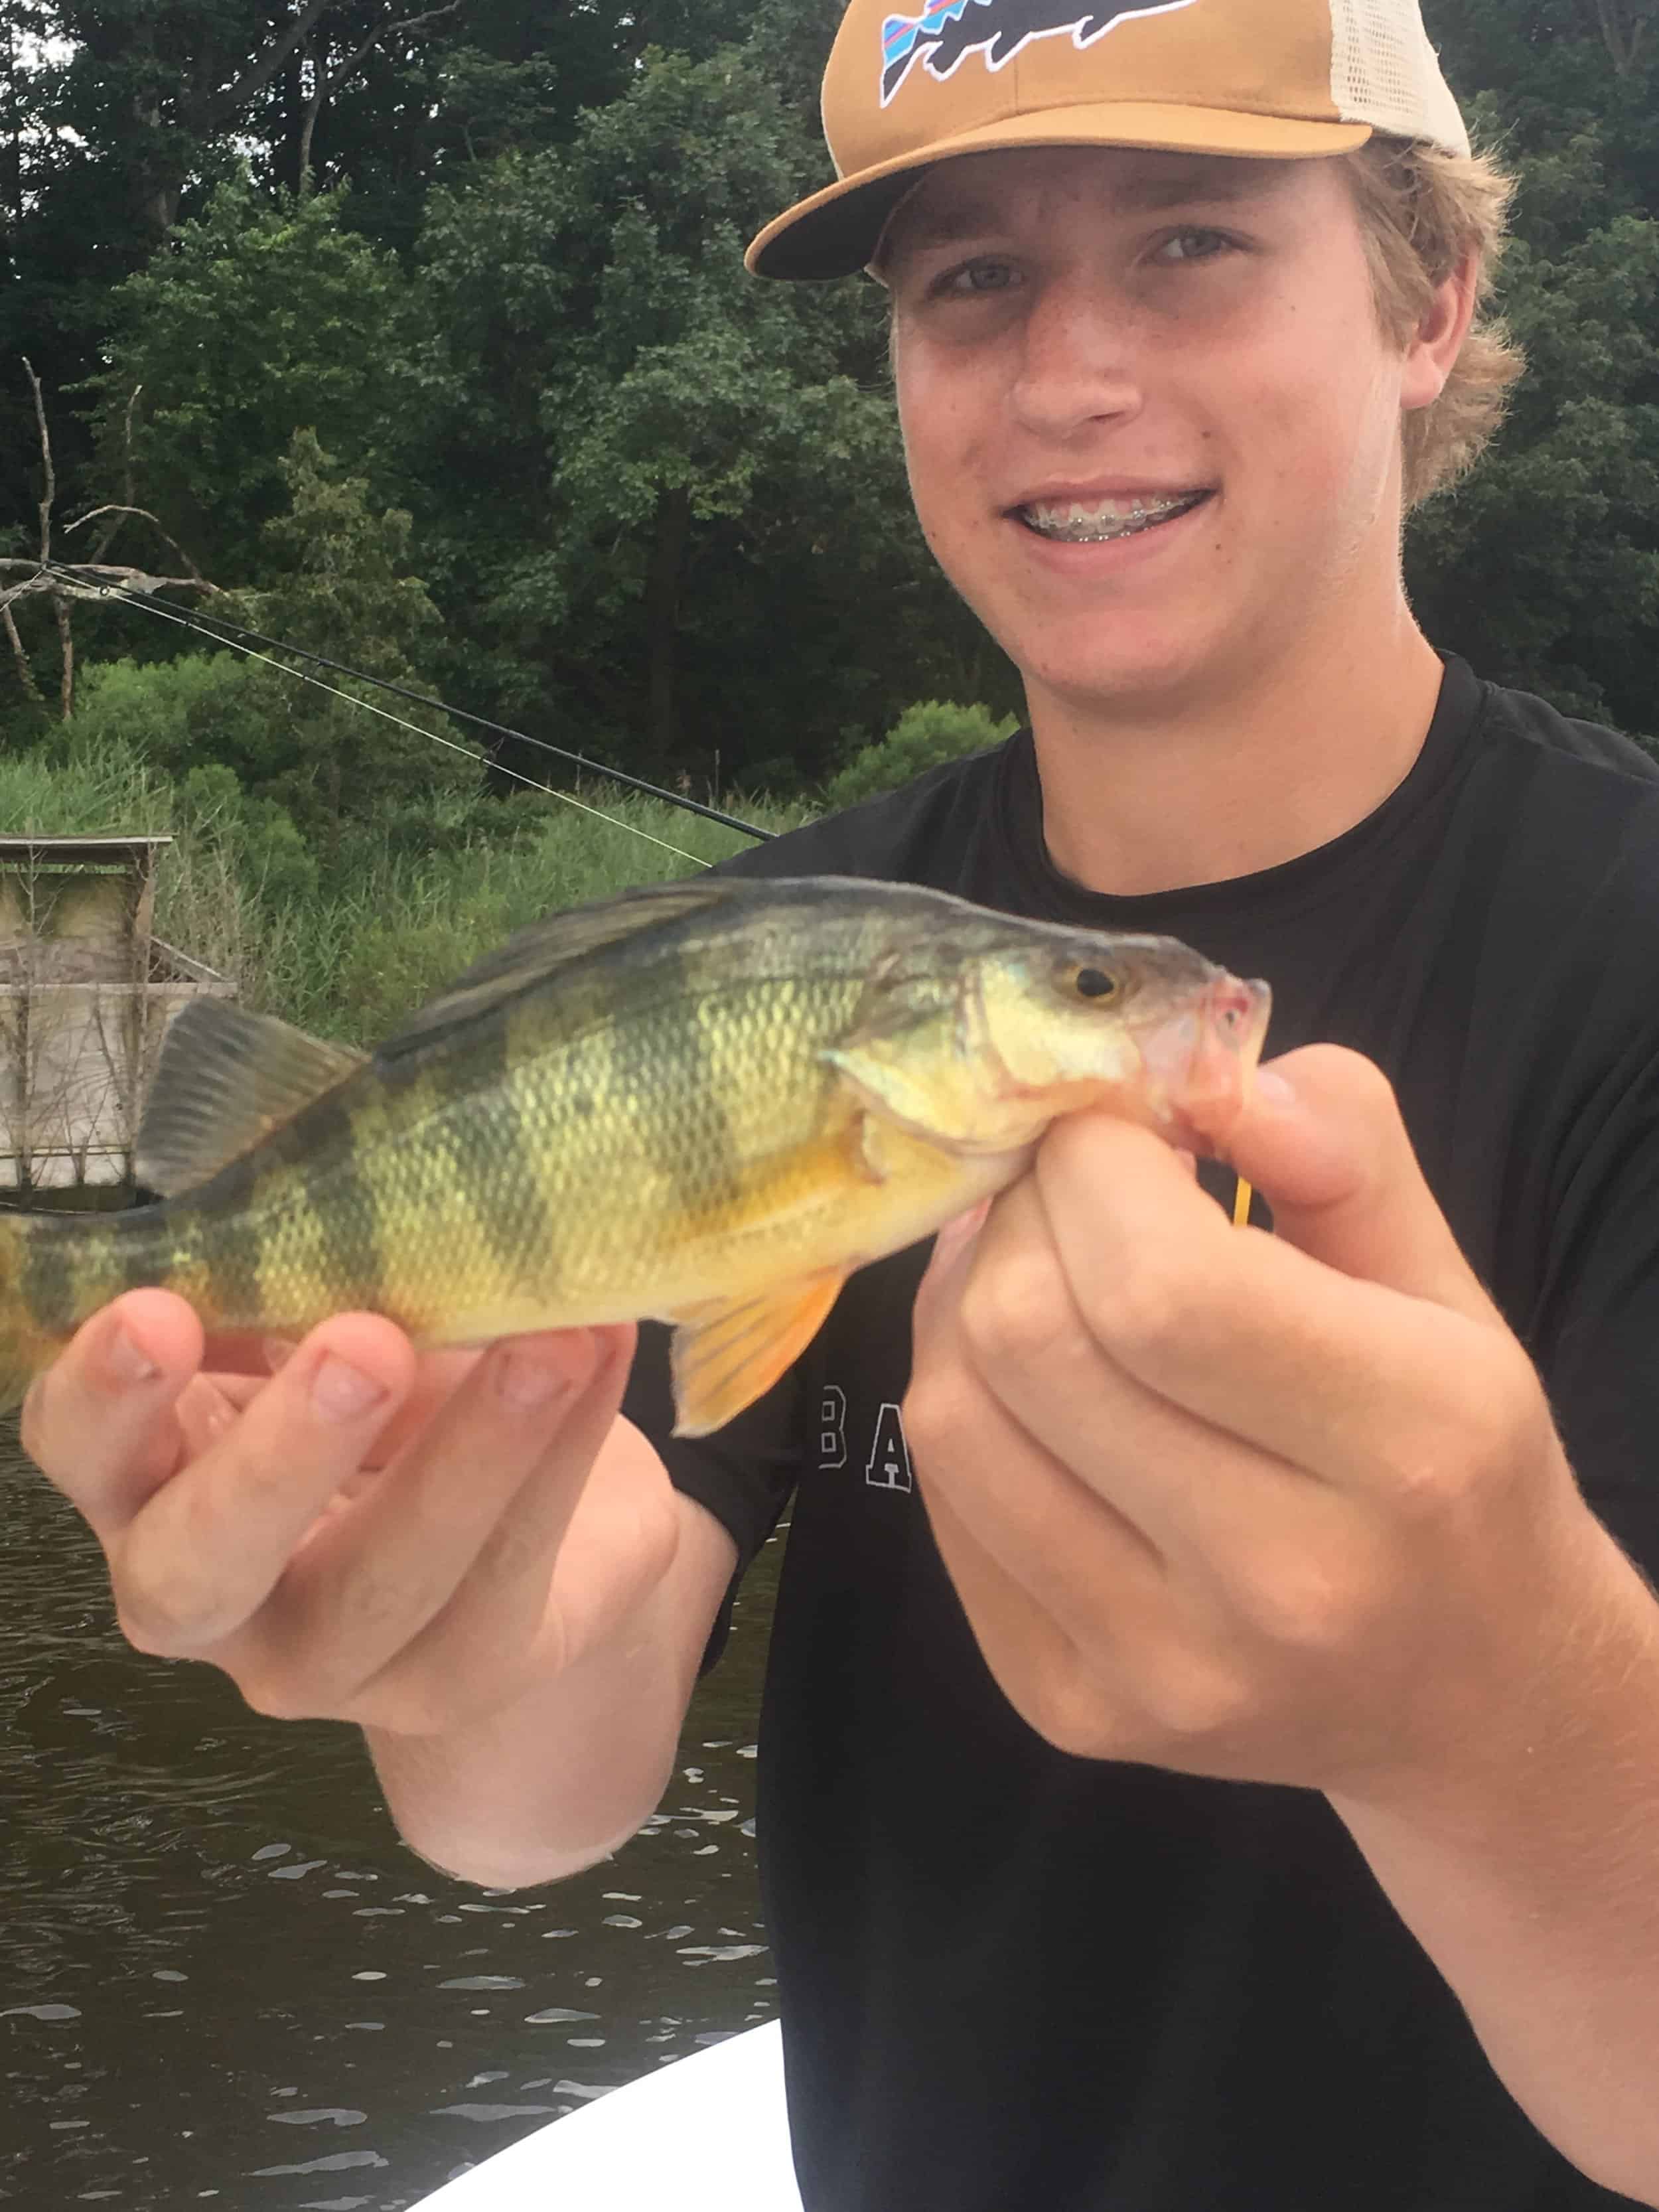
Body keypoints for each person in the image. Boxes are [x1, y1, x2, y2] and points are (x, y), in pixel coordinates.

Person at [21, 0, 1659, 2203]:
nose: (1069, 374)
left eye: (1188, 240)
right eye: (969, 276)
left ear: (1426, 299)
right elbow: (530, 1797)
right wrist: (425, 1617)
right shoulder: (763, 955)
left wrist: (1499, 1713)